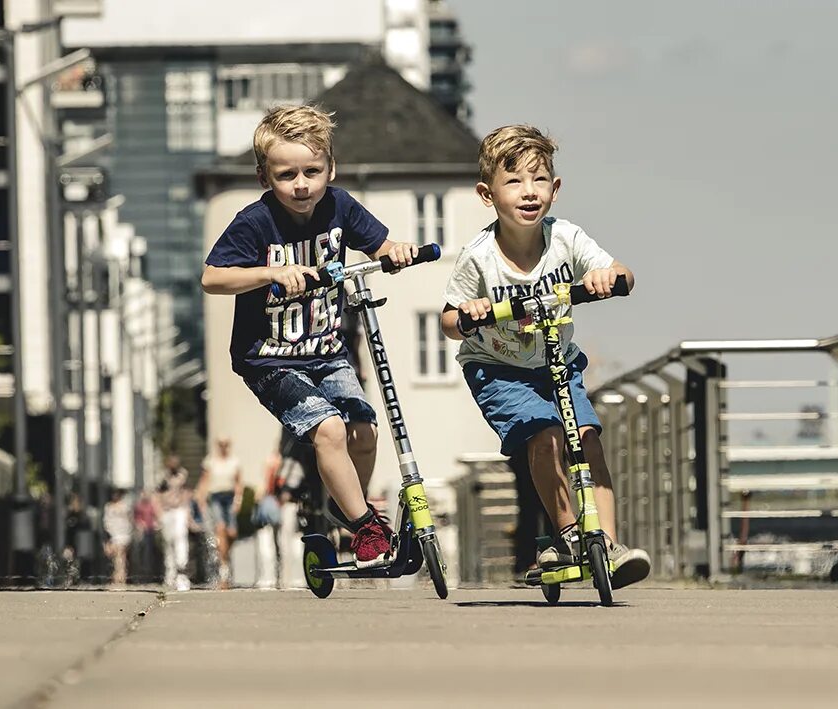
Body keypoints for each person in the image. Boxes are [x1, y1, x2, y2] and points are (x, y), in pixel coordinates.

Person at [200, 104, 419, 568]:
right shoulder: (255, 223)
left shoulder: (340, 206)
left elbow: (378, 245)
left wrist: (394, 251)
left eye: (312, 171)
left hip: (328, 350)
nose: (301, 184)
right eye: (286, 175)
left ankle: (347, 508)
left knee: (363, 428)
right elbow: (212, 278)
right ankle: (366, 528)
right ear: (265, 177)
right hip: (270, 359)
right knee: (329, 428)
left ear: (330, 169)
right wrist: (268, 272)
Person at [441, 124, 651, 589]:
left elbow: (623, 274)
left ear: (555, 190)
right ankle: (571, 533)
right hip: (498, 371)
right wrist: (472, 312)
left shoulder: (567, 239)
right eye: (513, 181)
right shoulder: (478, 257)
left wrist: (608, 276)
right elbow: (449, 322)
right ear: (487, 194)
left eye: (539, 180)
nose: (528, 192)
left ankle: (608, 546)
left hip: (556, 360)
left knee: (587, 439)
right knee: (545, 437)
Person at [198, 437, 242, 582]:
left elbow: (238, 482)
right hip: (216, 497)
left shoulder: (234, 461)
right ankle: (224, 566)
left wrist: (238, 500)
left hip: (229, 497)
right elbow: (205, 480)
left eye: (225, 445)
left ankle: (225, 555)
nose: (223, 447)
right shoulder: (211, 461)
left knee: (231, 532)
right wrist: (202, 498)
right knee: (220, 528)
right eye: (221, 445)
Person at [158, 455, 192, 591]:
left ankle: (181, 569)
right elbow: (157, 493)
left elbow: (188, 492)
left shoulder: (183, 475)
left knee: (180, 537)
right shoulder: (163, 476)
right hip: (166, 510)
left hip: (179, 509)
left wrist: (187, 512)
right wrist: (159, 512)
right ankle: (170, 572)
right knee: (168, 540)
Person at [102, 490, 133, 586]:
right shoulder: (108, 507)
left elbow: (130, 519)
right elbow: (106, 522)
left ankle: (120, 576)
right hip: (113, 534)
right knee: (118, 556)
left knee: (120, 554)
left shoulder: (125, 506)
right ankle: (119, 575)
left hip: (123, 534)